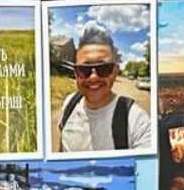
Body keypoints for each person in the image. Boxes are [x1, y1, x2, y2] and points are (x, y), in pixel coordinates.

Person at [57, 24, 154, 153]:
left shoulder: (136, 120)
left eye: (103, 69)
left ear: (115, 72)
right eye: (84, 70)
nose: (93, 77)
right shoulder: (69, 104)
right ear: (75, 73)